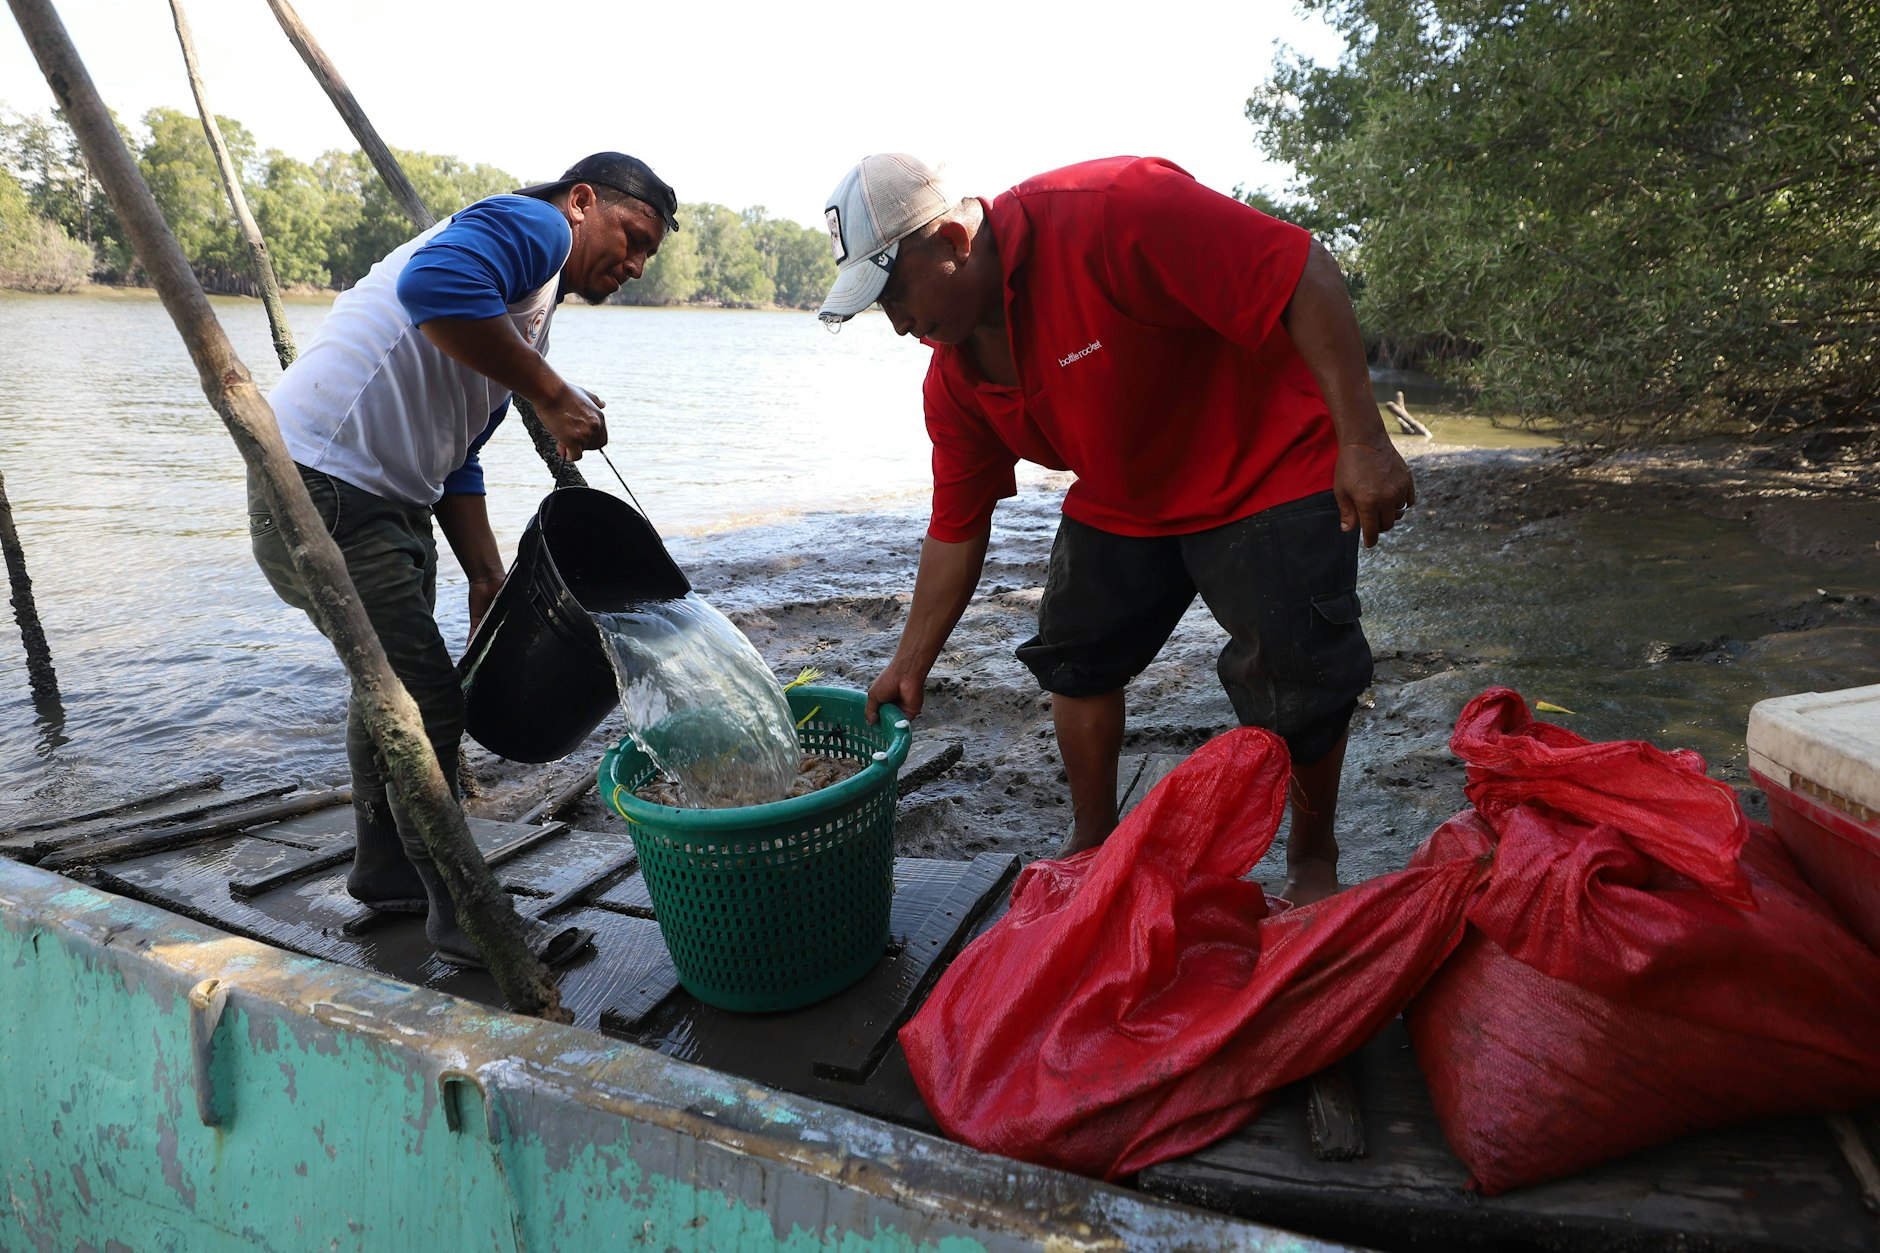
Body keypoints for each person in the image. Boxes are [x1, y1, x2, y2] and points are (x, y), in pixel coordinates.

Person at [818, 153, 1414, 904]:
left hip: (1263, 459)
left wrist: (1362, 440)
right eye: (880, 308)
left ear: (951, 240)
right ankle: (1092, 837)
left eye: (897, 293)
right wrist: (911, 661)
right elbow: (956, 526)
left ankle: (1312, 858)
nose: (899, 324)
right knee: (1075, 651)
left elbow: (1304, 272)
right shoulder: (954, 377)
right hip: (1127, 488)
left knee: (1299, 675)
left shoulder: (1111, 209)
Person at [249, 152, 680, 964]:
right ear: (582, 202)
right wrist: (551, 392)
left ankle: (389, 876)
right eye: (632, 237)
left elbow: (459, 449)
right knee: (426, 705)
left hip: (382, 497)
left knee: (387, 693)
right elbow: (431, 290)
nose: (634, 264)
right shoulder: (533, 226)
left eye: (647, 255)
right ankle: (469, 916)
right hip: (322, 487)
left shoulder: (529, 299)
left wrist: (486, 572)